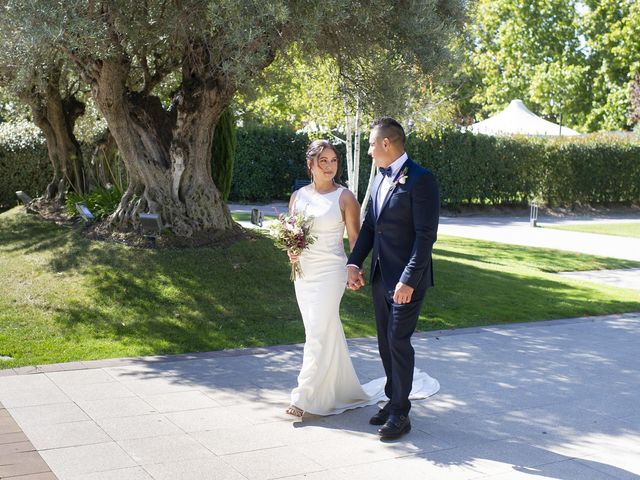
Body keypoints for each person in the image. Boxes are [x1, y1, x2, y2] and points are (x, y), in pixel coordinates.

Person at [285, 138, 439, 422]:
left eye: (333, 161)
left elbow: (359, 237)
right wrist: (292, 251)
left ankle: (304, 396)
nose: (330, 166)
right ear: (311, 164)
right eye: (324, 161)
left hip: (331, 272)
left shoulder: (345, 197)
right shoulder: (298, 196)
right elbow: (293, 234)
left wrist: (353, 267)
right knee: (319, 331)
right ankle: (337, 390)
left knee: (320, 330)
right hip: (304, 273)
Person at [347, 117, 440, 440]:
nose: (370, 151)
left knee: (399, 341)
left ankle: (401, 413)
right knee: (386, 342)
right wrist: (354, 262)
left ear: (386, 143)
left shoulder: (421, 180)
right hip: (379, 277)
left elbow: (425, 237)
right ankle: (393, 398)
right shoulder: (377, 180)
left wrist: (409, 280)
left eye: (372, 144)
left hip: (406, 281)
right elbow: (371, 226)